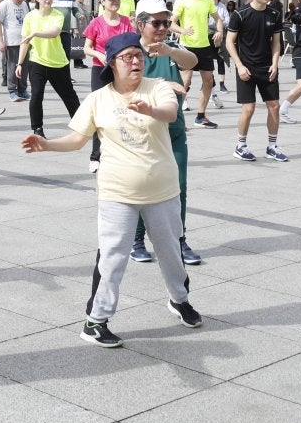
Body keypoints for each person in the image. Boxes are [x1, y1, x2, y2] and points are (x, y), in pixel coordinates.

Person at [23, 32, 203, 348]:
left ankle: (179, 300)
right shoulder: (98, 99)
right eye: (127, 57)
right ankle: (95, 321)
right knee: (112, 256)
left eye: (138, 56)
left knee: (171, 252)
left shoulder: (157, 87)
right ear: (112, 63)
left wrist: (150, 110)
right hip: (117, 192)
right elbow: (77, 139)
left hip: (162, 189)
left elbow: (170, 112)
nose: (135, 61)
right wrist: (47, 144)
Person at [127, 0, 200, 266]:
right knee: (142, 185)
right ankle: (136, 239)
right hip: (143, 132)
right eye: (156, 23)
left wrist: (170, 51)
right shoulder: (130, 50)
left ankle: (178, 240)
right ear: (140, 24)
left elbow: (192, 61)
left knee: (179, 186)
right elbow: (124, 86)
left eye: (166, 23)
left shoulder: (169, 47)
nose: (162, 28)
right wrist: (164, 84)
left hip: (174, 129)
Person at [225, 0, 288, 163]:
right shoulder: (240, 14)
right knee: (249, 108)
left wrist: (275, 63)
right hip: (246, 67)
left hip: (267, 67)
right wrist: (239, 66)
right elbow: (229, 42)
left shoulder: (274, 14)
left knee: (274, 106)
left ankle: (272, 147)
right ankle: (240, 146)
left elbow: (276, 43)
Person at [83, 0, 135, 173]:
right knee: (100, 112)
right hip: (100, 70)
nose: (115, 2)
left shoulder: (126, 22)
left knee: (124, 110)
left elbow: (132, 43)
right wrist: (99, 54)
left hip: (121, 71)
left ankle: (123, 153)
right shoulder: (96, 23)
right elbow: (86, 48)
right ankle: (95, 156)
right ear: (102, 2)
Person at [17, 0, 81, 137]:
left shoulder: (58, 15)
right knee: (36, 95)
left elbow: (54, 32)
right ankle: (37, 129)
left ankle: (81, 124)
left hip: (58, 62)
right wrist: (19, 63)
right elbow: (25, 42)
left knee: (69, 96)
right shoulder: (29, 17)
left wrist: (35, 33)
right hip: (37, 62)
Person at [171, 0, 221, 126]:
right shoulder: (181, 1)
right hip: (187, 46)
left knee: (209, 80)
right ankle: (175, 118)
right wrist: (182, 30)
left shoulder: (207, 0)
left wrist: (220, 31)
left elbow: (218, 19)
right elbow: (171, 23)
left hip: (204, 46)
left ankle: (200, 117)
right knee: (185, 81)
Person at [0, 0, 29, 99]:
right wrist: (0, 41)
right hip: (11, 41)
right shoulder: (4, 4)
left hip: (24, 41)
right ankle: (12, 90)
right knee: (12, 66)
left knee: (24, 67)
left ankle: (23, 90)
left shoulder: (24, 4)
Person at [209, 0, 230, 99]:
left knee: (221, 58)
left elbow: (227, 20)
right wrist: (219, 22)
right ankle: (210, 82)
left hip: (221, 34)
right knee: (209, 60)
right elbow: (207, 22)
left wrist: (219, 23)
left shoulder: (222, 6)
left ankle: (222, 84)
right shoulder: (207, 5)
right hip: (208, 35)